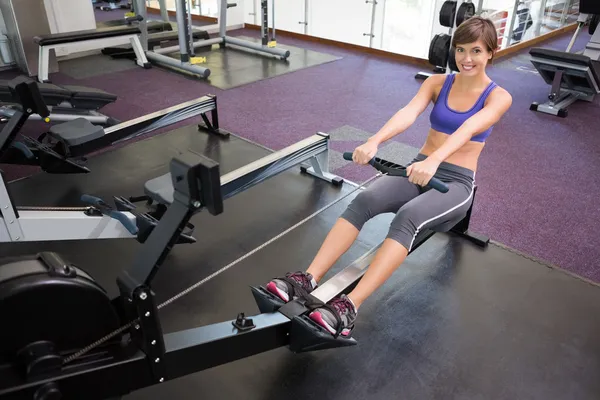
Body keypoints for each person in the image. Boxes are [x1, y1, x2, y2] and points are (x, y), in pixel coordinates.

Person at [264, 16, 513, 337]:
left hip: (456, 183)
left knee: (408, 217)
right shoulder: (437, 83)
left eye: (476, 51)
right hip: (418, 169)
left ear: (491, 52)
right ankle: (307, 278)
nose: (466, 59)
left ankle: (349, 307)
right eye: (461, 49)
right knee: (365, 199)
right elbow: (407, 113)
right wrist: (374, 140)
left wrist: (436, 158)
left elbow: (468, 129)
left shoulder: (498, 96)